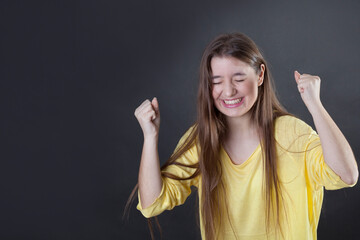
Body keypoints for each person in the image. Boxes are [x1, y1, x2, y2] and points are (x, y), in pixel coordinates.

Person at [131, 33, 358, 239]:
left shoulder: (293, 133)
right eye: (217, 81)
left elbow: (346, 175)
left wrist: (315, 105)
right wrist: (150, 138)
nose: (228, 91)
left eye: (238, 79)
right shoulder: (201, 140)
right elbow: (152, 203)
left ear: (260, 75)